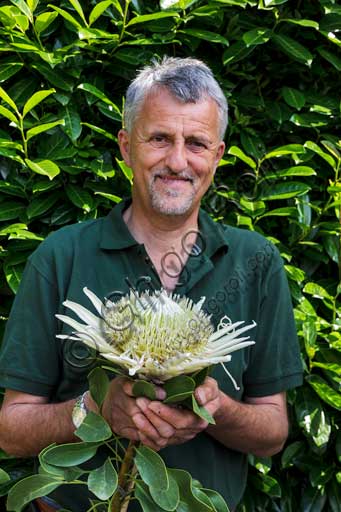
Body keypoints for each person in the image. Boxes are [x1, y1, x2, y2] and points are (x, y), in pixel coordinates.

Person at [0, 57, 303, 511]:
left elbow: (273, 433)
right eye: (159, 138)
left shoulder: (255, 262)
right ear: (126, 147)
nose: (178, 161)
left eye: (196, 143)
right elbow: (11, 429)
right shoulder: (60, 257)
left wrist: (212, 406)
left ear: (218, 157)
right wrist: (97, 409)